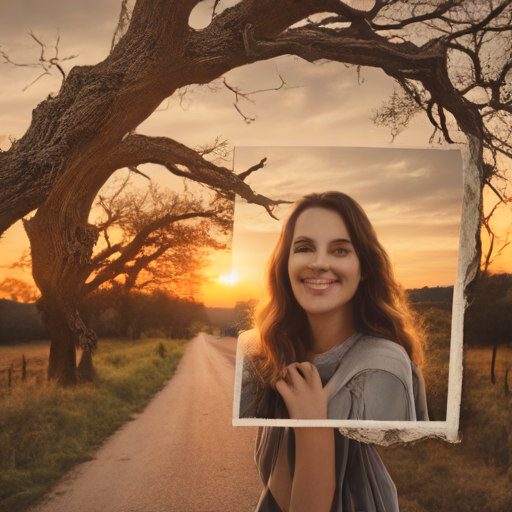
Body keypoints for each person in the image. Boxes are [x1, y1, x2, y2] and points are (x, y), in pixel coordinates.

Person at [238, 191, 429, 512]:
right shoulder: (262, 352)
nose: (320, 263)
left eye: (339, 250)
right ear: (286, 263)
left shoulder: (381, 369)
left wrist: (313, 424)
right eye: (304, 248)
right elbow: (270, 475)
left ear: (364, 267)